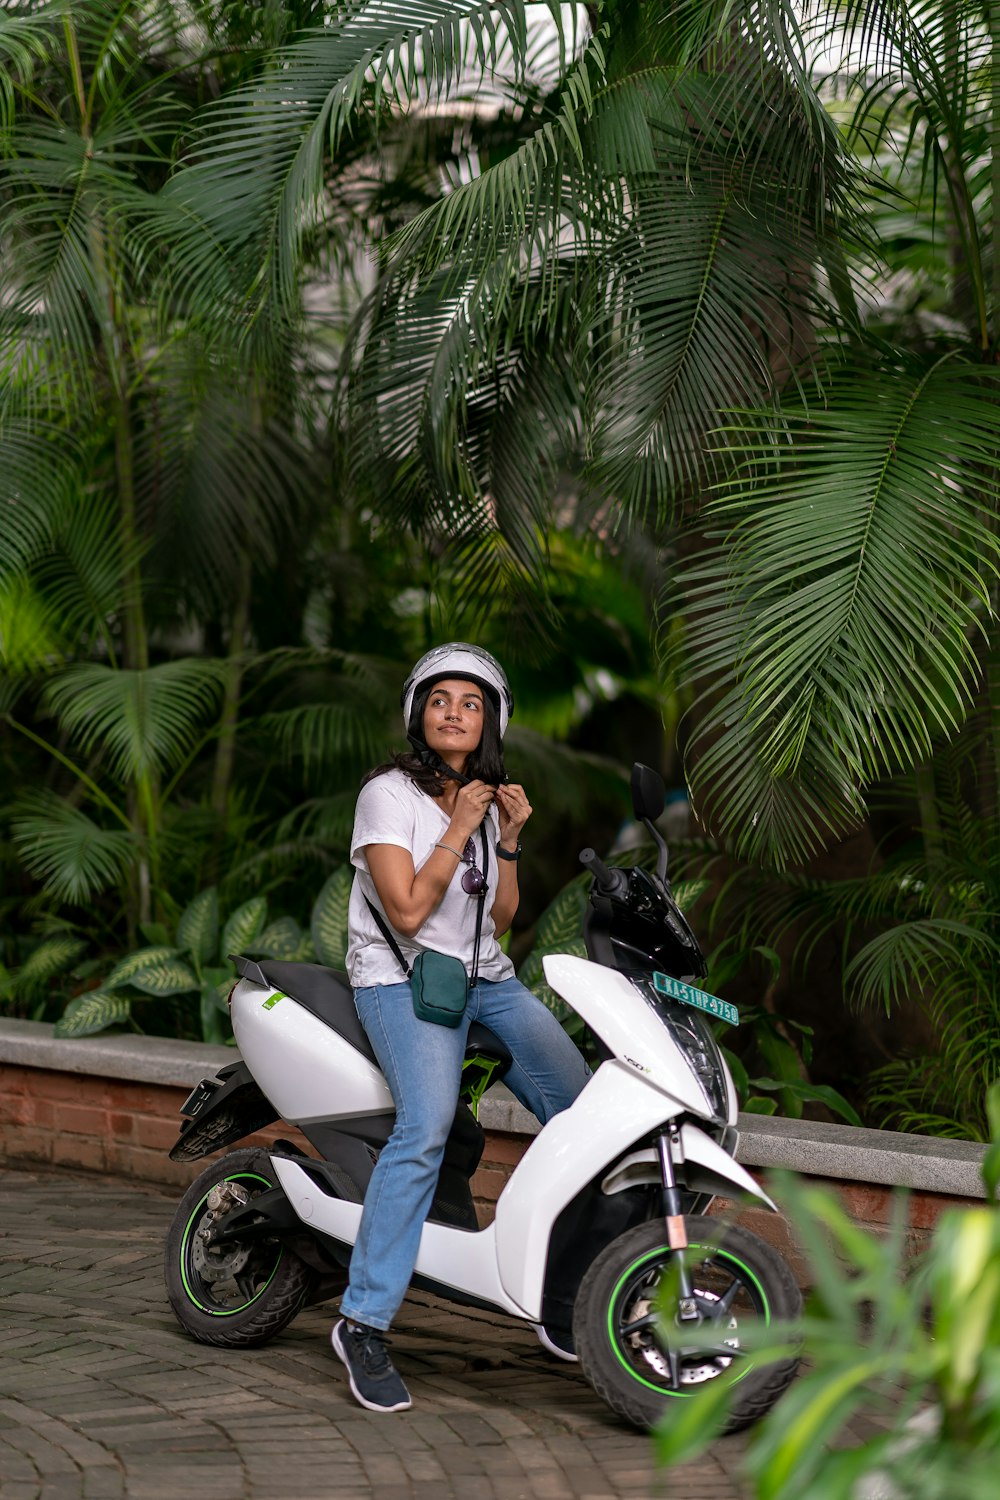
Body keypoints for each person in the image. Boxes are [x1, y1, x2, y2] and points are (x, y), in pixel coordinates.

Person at [331, 643, 590, 1413]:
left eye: (470, 703)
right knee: (427, 1125)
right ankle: (363, 1321)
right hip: (401, 977)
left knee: (584, 1117)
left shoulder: (479, 800)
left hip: (486, 980)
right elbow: (408, 910)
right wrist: (457, 827)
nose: (454, 712)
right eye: (441, 699)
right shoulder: (389, 795)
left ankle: (570, 1290)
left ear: (490, 722)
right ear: (419, 714)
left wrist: (504, 839)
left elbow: (502, 921)